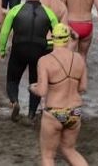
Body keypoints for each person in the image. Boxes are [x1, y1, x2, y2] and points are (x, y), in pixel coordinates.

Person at [0, 0, 59, 122]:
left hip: (19, 48)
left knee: (12, 80)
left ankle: (15, 102)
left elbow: (4, 32)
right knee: (36, 82)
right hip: (39, 51)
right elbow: (57, 34)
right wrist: (55, 54)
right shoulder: (49, 13)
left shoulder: (15, 10)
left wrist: (1, 49)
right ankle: (31, 114)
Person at [29, 23, 88, 166]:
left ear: (52, 38)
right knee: (69, 150)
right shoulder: (79, 58)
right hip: (75, 111)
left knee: (48, 156)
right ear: (67, 39)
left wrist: (31, 87)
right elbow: (83, 88)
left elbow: (42, 92)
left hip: (54, 112)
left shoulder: (45, 60)